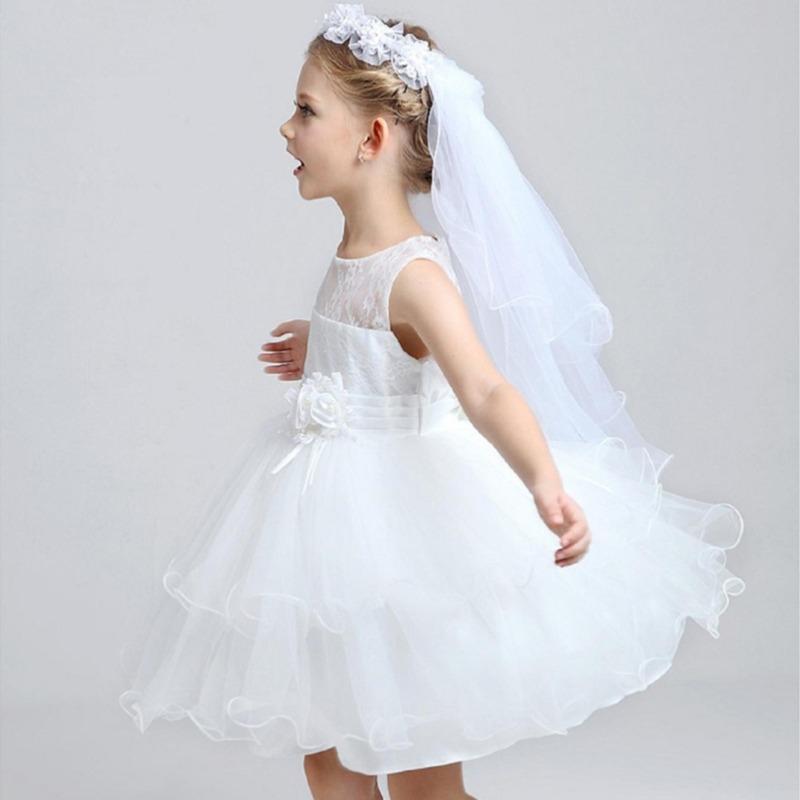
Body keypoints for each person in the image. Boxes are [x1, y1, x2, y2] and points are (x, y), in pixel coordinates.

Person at [118, 7, 746, 800]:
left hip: (402, 532)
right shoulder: (357, 254)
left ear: (372, 138)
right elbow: (383, 344)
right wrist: (330, 348)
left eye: (306, 111)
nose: (286, 128)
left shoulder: (416, 275)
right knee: (328, 752)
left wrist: (544, 483)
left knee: (419, 764)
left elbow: (483, 387)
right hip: (327, 531)